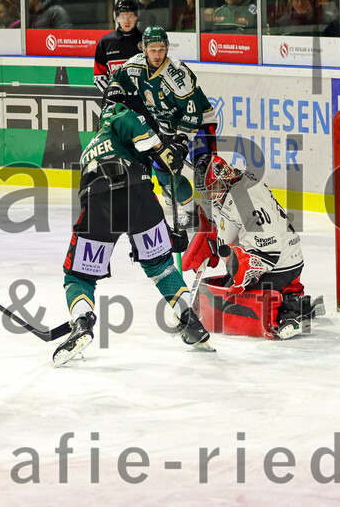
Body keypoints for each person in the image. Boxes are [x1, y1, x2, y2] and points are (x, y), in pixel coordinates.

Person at [52, 102, 211, 366]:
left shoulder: (90, 149)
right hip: (139, 195)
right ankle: (190, 321)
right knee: (160, 266)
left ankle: (82, 324)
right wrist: (163, 149)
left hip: (99, 201)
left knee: (78, 276)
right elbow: (131, 124)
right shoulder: (119, 121)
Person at [182, 153, 314, 340]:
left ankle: (291, 308)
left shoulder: (247, 199)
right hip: (260, 258)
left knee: (230, 302)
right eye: (206, 191)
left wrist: (242, 278)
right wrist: (211, 238)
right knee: (219, 293)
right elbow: (225, 221)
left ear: (225, 178)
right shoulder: (229, 186)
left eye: (213, 188)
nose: (209, 195)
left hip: (279, 265)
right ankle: (290, 300)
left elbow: (268, 250)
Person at [105, 26, 217, 229]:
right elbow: (118, 79)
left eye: (161, 49)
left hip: (199, 123)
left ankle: (219, 216)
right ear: (144, 49)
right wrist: (114, 89)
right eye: (153, 49)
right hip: (168, 127)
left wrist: (182, 143)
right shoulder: (135, 66)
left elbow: (192, 113)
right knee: (164, 173)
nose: (158, 55)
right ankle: (192, 212)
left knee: (204, 171)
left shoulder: (177, 75)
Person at [93, 0, 142, 92]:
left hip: (141, 101)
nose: (127, 21)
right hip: (115, 101)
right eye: (123, 17)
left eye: (130, 16)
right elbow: (99, 76)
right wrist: (112, 93)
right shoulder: (105, 42)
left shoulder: (145, 40)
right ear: (117, 17)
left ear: (136, 17)